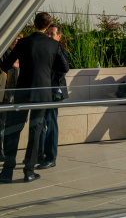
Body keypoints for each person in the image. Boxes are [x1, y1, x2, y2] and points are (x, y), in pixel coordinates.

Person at [0, 12, 69, 183]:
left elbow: (6, 65)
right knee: (36, 130)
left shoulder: (24, 42)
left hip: (22, 91)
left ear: (33, 24)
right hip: (43, 93)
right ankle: (29, 171)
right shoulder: (53, 45)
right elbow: (64, 67)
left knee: (13, 129)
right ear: (47, 26)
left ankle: (7, 171)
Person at [37, 24, 69, 170]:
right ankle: (41, 153)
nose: (49, 36)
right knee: (40, 122)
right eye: (47, 34)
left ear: (59, 36)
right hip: (42, 91)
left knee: (50, 122)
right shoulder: (44, 48)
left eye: (52, 34)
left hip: (52, 92)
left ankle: (51, 157)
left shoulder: (59, 50)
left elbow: (63, 69)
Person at [0, 35, 22, 162]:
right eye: (13, 38)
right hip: (4, 95)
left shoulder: (21, 54)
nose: (15, 41)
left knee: (11, 125)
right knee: (1, 124)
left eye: (18, 39)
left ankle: (8, 150)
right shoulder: (4, 52)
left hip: (16, 96)